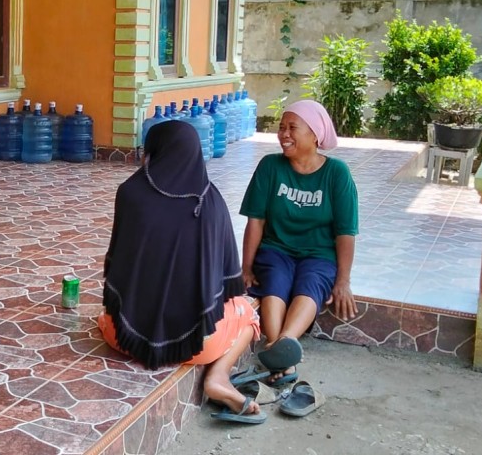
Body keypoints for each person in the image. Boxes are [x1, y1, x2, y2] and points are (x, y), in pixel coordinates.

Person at [100, 120, 266, 423]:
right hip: (200, 345)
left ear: (153, 151)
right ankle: (218, 377)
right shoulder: (211, 200)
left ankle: (210, 373)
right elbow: (229, 281)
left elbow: (115, 270)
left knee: (105, 317)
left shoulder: (130, 193)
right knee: (247, 313)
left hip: (123, 338)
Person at [240, 99, 359, 383]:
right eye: (281, 128)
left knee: (311, 284)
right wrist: (245, 268)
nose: (284, 134)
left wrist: (343, 281)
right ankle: (282, 352)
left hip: (319, 254)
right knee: (275, 281)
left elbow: (346, 232)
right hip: (276, 249)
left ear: (315, 134)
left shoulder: (337, 174)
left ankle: (281, 345)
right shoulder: (270, 167)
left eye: (292, 128)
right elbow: (255, 221)